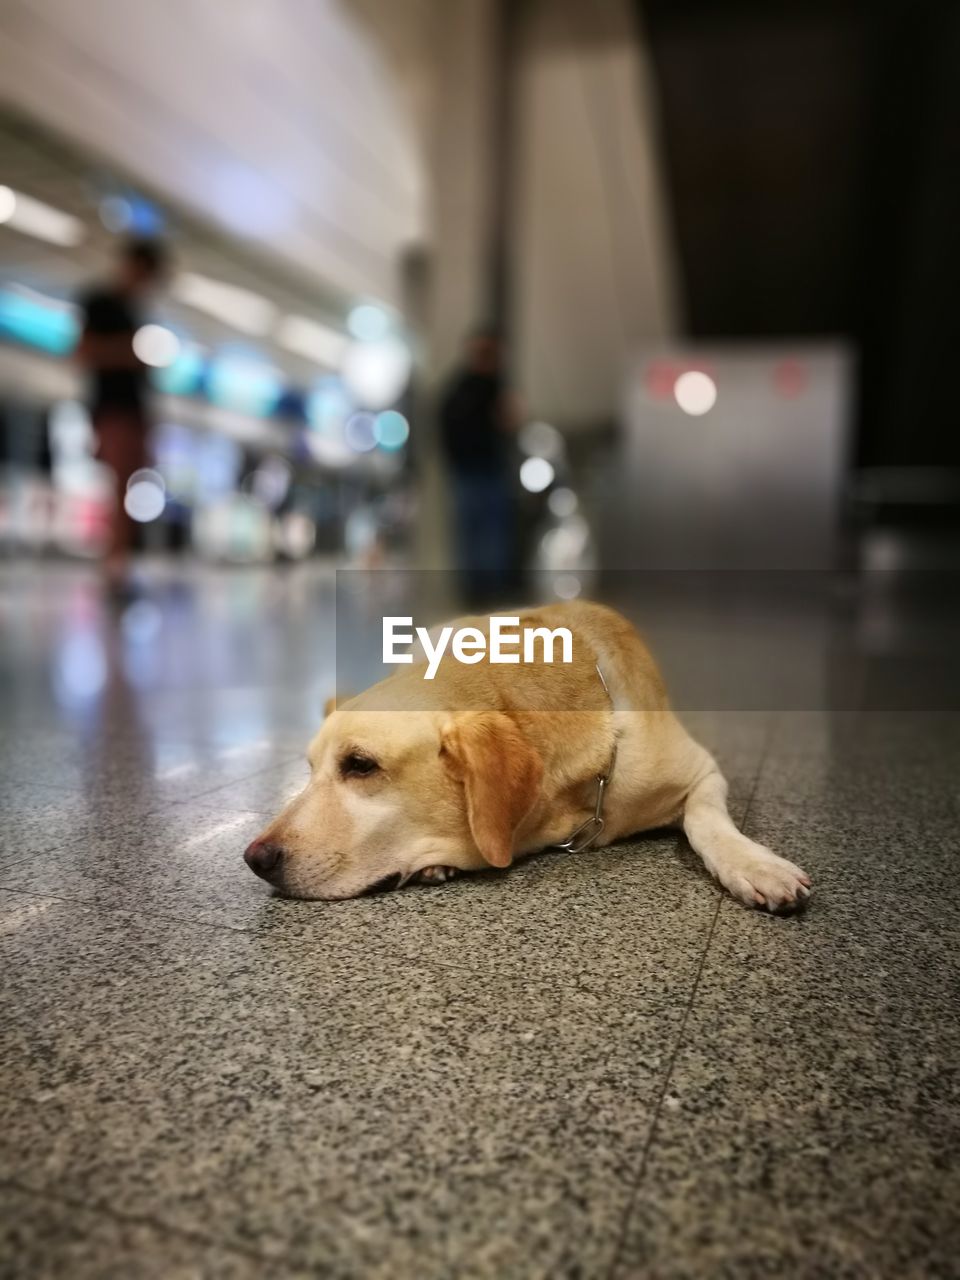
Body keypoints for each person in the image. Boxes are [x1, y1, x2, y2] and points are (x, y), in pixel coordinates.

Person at [75, 237, 169, 595]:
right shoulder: (100, 304)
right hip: (112, 409)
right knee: (117, 487)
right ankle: (113, 566)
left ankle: (119, 563)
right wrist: (129, 352)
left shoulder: (137, 313)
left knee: (129, 489)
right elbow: (83, 351)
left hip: (133, 412)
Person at [438, 327, 518, 606]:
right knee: (472, 533)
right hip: (469, 471)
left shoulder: (499, 387)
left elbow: (511, 425)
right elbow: (445, 428)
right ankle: (474, 590)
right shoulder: (459, 389)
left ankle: (492, 588)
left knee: (494, 533)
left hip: (493, 470)